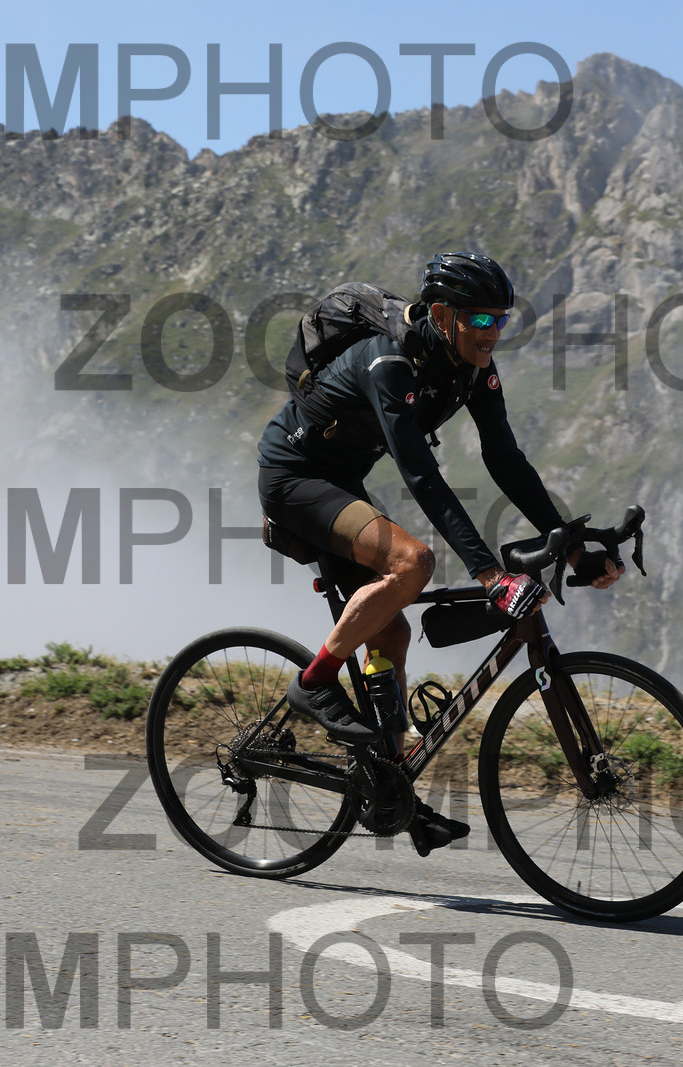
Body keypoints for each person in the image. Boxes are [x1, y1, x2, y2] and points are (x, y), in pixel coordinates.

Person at [256, 251, 623, 855]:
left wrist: (576, 547)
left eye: (500, 320)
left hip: (341, 482)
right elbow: (422, 476)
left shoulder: (472, 369)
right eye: (480, 320)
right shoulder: (388, 362)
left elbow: (505, 460)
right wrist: (489, 574)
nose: (492, 333)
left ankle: (391, 786)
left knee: (392, 633)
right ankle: (314, 683)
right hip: (294, 478)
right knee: (414, 563)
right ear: (445, 315)